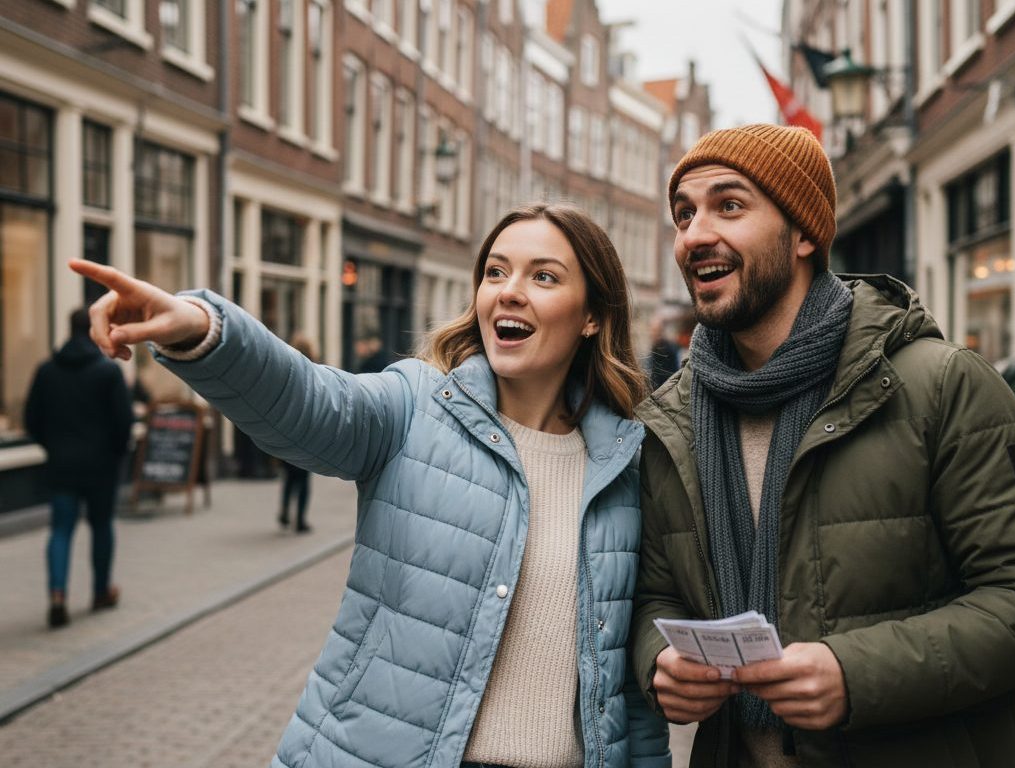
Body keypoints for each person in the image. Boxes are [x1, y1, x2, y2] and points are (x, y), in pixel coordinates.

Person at [71, 202, 670, 768]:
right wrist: (202, 330)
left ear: (592, 314)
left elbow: (628, 692)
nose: (508, 290)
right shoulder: (413, 406)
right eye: (495, 271)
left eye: (544, 277)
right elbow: (305, 399)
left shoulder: (626, 463)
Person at [629, 124, 1015, 767]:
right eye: (684, 214)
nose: (695, 235)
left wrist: (855, 675)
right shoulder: (668, 423)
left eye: (729, 206)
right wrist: (660, 660)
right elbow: (654, 596)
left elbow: (1013, 599)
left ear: (805, 233)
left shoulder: (942, 386)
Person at [24, 307, 133, 629]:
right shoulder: (108, 372)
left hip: (61, 465)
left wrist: (53, 447)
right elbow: (123, 423)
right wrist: (116, 454)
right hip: (101, 467)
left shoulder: (46, 371)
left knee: (60, 530)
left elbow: (32, 419)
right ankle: (101, 592)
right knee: (101, 526)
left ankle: (57, 596)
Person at [277, 333, 317, 533]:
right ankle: (300, 520)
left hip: (285, 432)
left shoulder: (284, 371)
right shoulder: (315, 373)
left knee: (289, 477)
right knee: (303, 480)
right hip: (306, 433)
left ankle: (284, 512)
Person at [646, 315, 679, 390]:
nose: (654, 333)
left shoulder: (669, 350)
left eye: (657, 330)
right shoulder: (653, 349)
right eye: (652, 330)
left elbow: (673, 374)